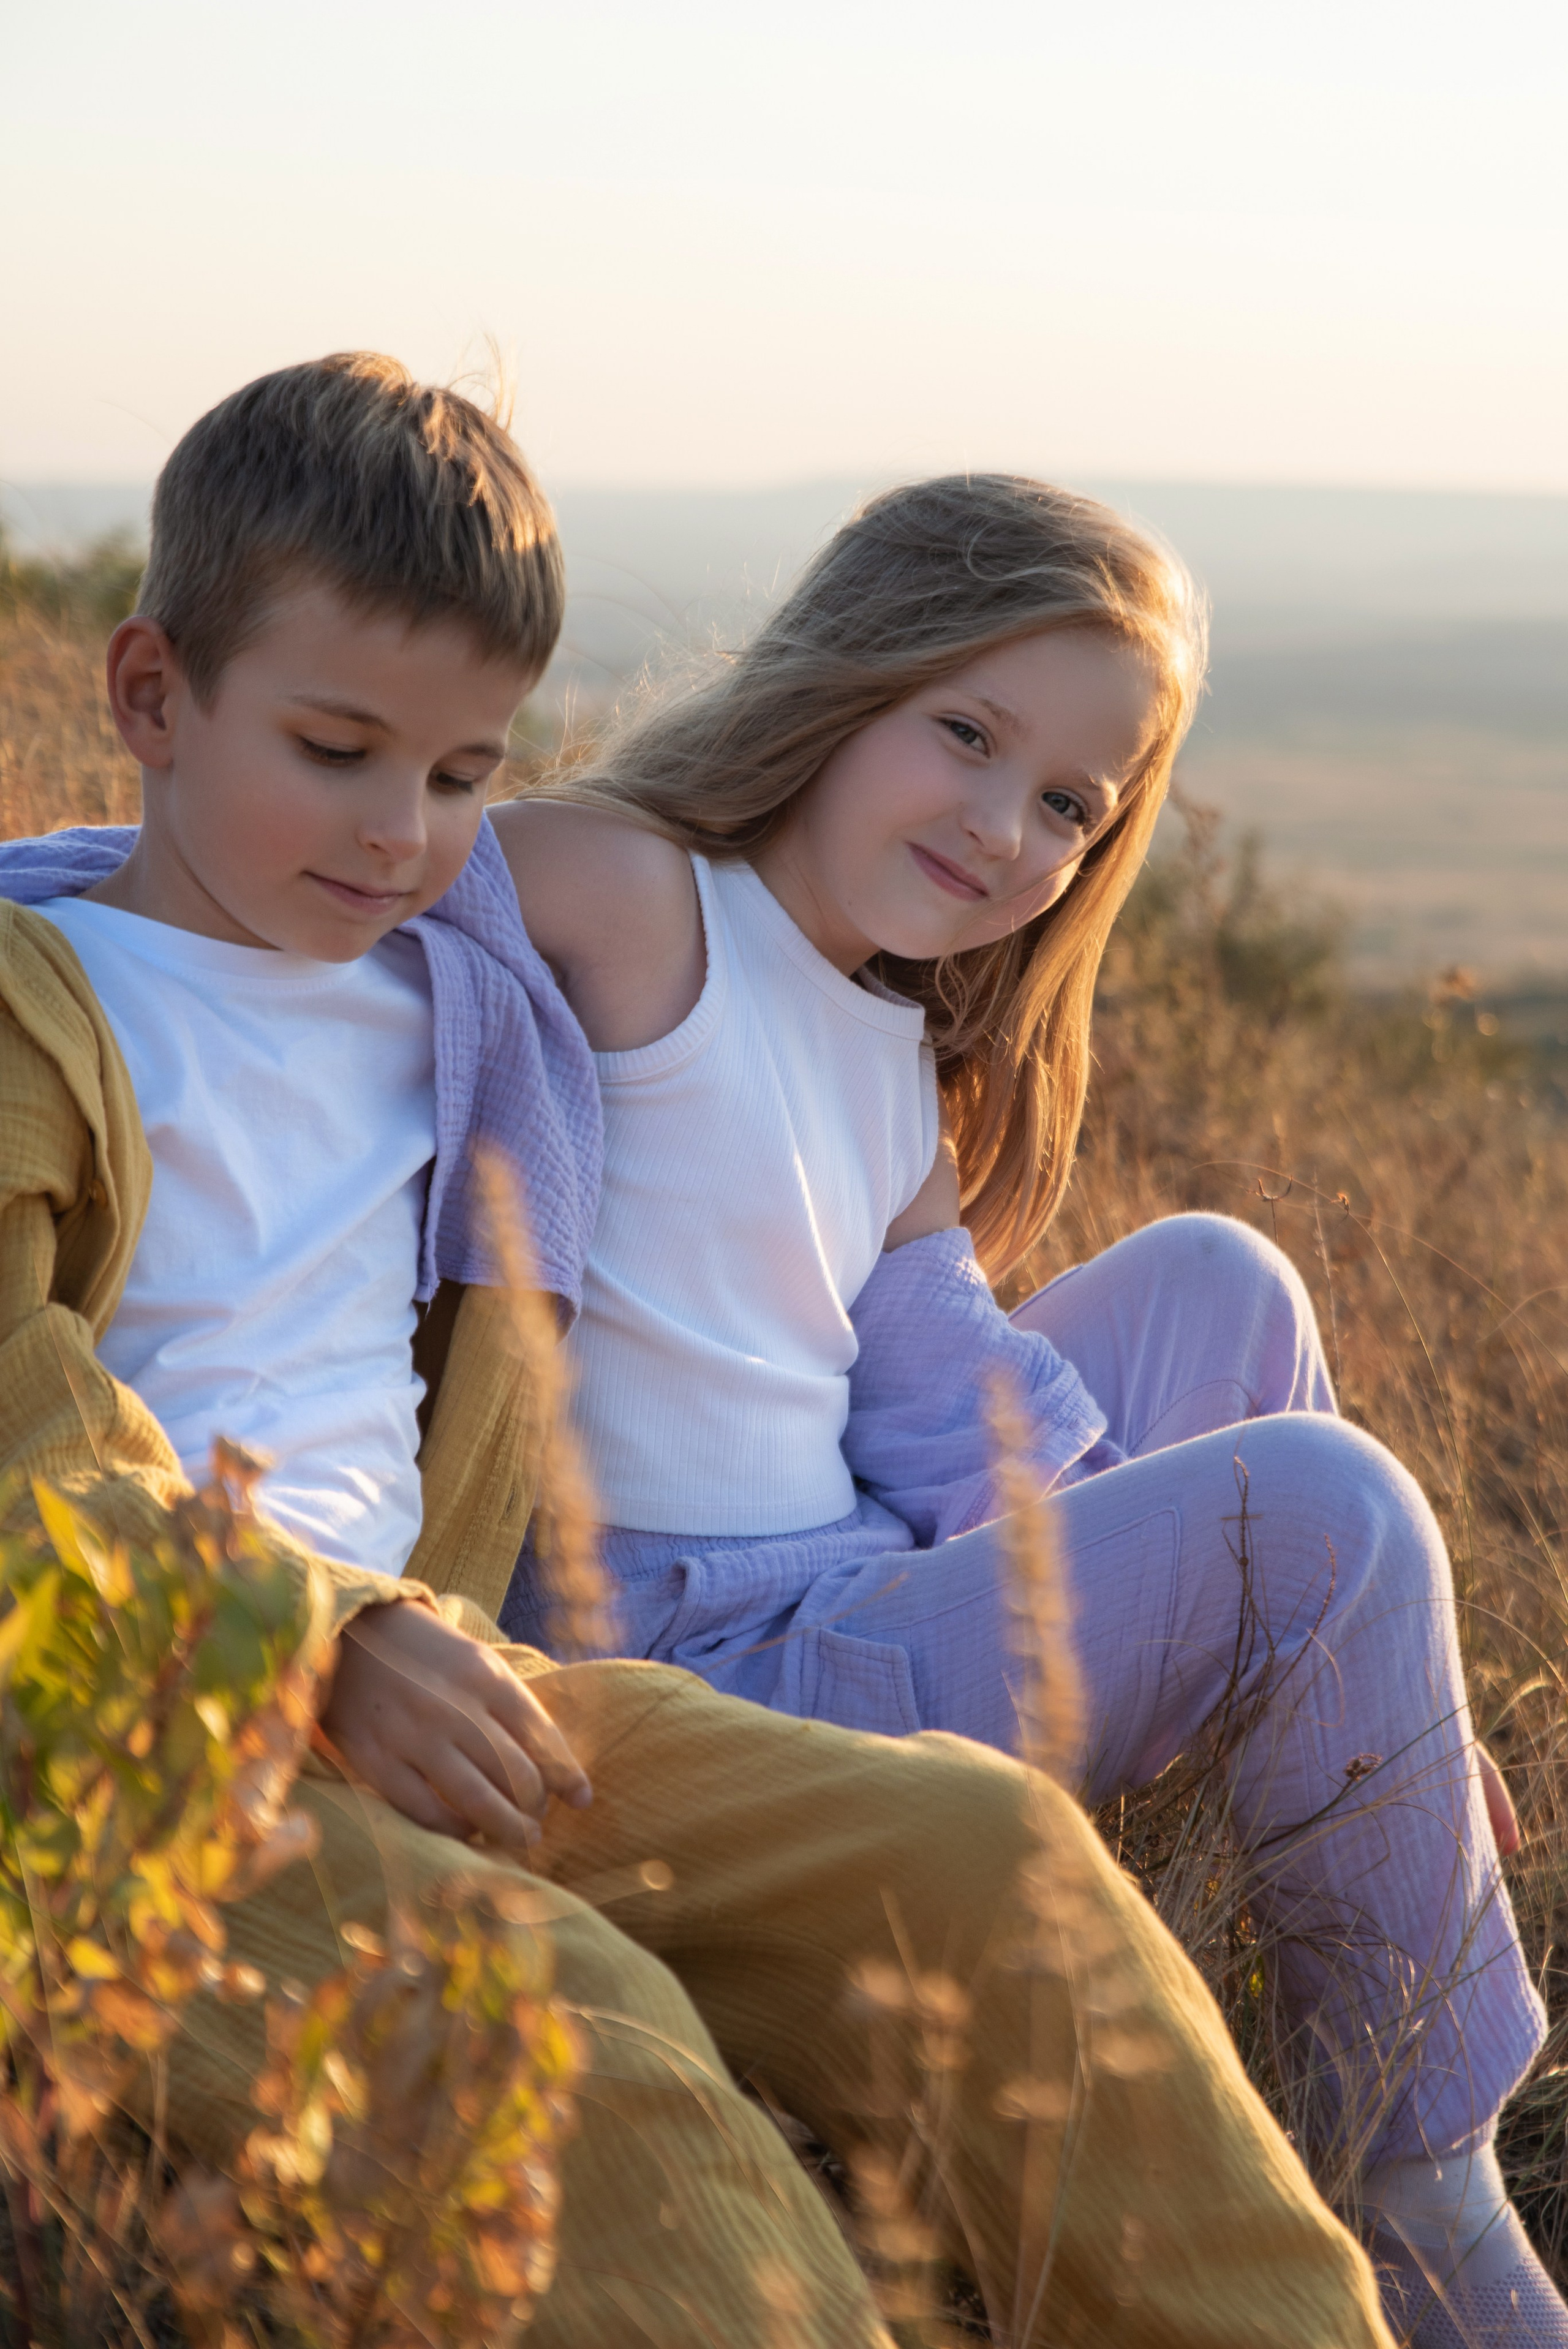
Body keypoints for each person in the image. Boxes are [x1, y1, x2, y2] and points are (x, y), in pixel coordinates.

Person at [0, 355, 1396, 2348]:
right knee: (591, 2040)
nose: (404, 830)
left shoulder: (466, 1002)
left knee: (989, 1855)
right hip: (125, 1740)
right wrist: (305, 1635)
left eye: (466, 772)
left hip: (451, 1686)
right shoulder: (48, 1005)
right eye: (333, 749)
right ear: (151, 698)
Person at [492, 473, 1564, 2346]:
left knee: (1223, 1281)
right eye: (967, 735)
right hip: (680, 1663)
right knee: (1318, 1515)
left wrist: (1345, 1651)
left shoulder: (884, 1047)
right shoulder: (632, 889)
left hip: (832, 1576)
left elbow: (958, 1419)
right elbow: (270, 876)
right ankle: (1413, 2183)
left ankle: (1342, 1774)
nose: (1006, 827)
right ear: (848, 679)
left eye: (1070, 800)